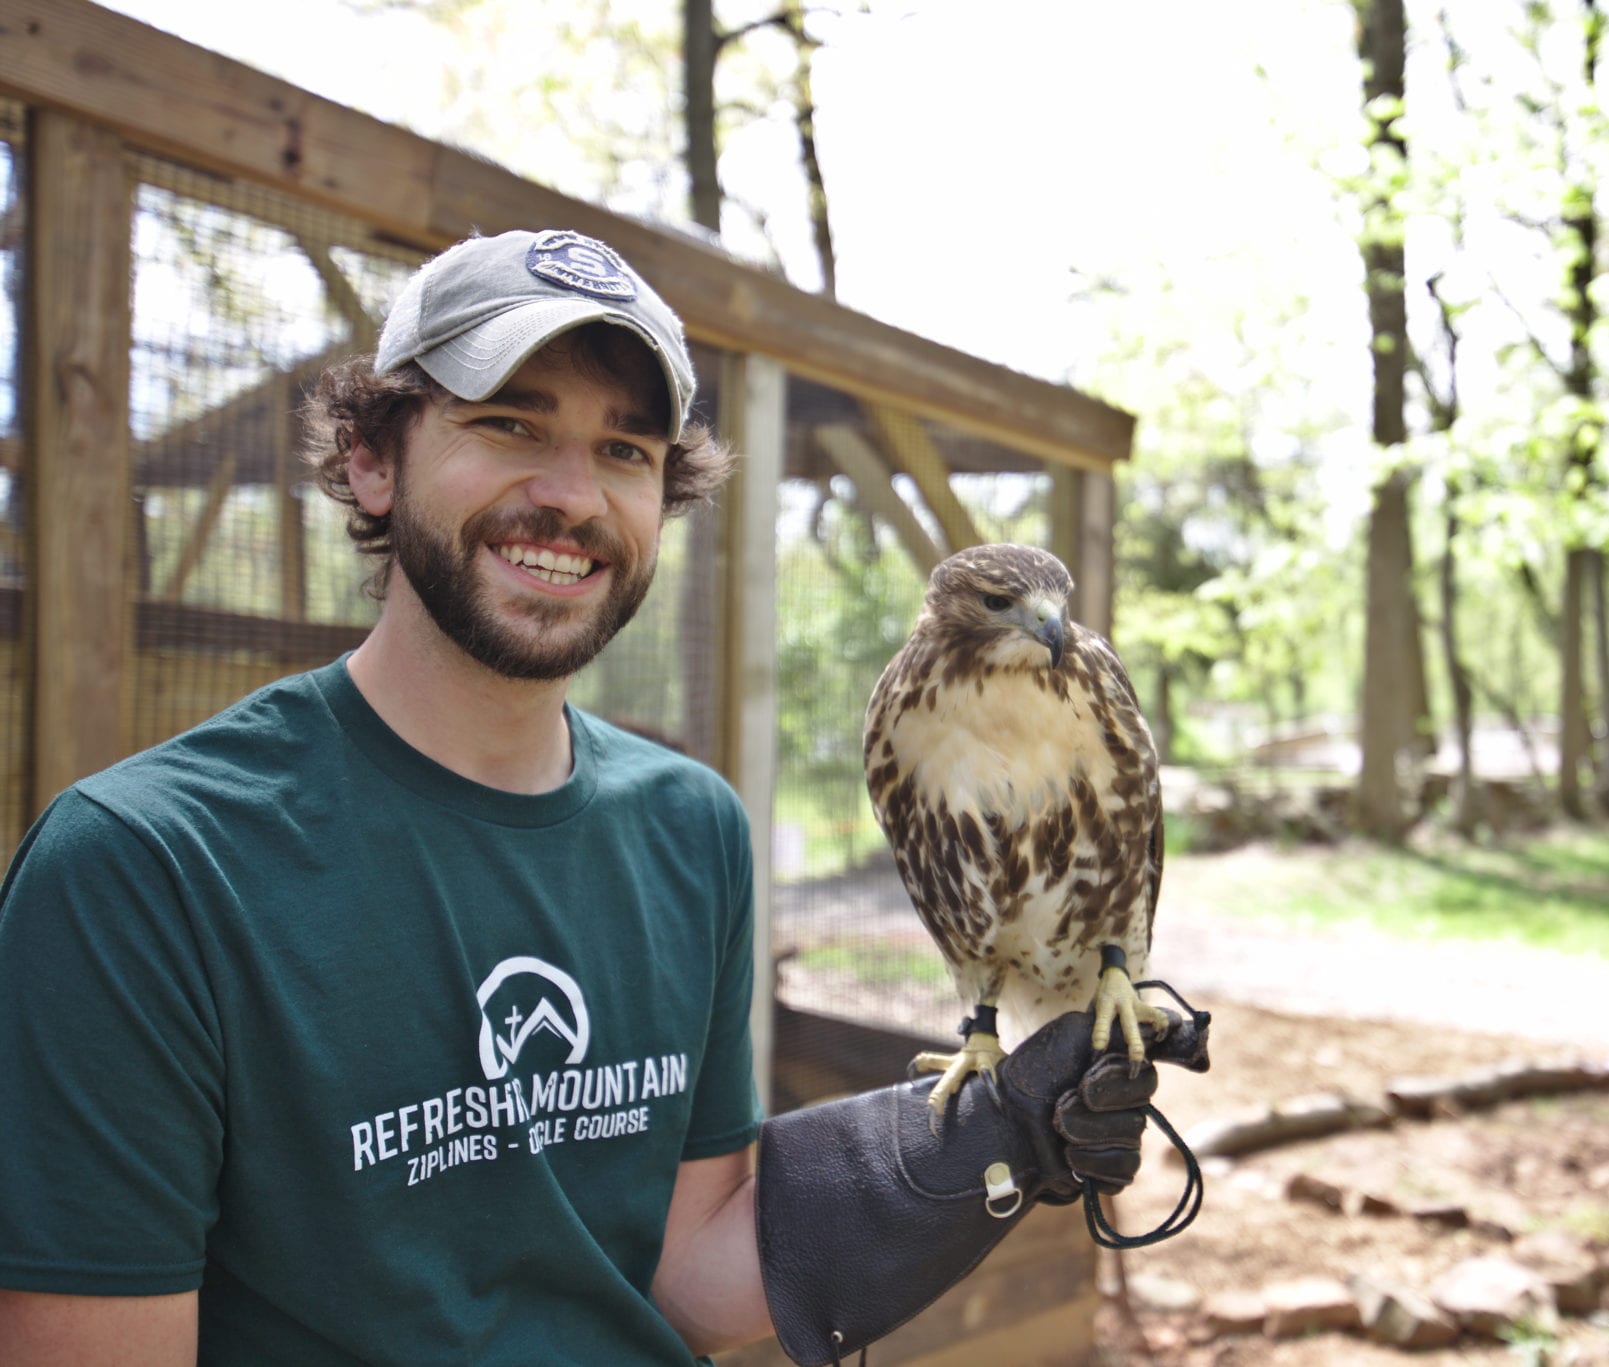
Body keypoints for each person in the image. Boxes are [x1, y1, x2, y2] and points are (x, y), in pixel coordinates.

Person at [0, 229, 1198, 1366]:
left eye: (626, 450)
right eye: (509, 423)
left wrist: (984, 1141)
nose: (572, 494)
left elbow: (686, 1276)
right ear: (371, 459)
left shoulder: (691, 829)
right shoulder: (142, 868)